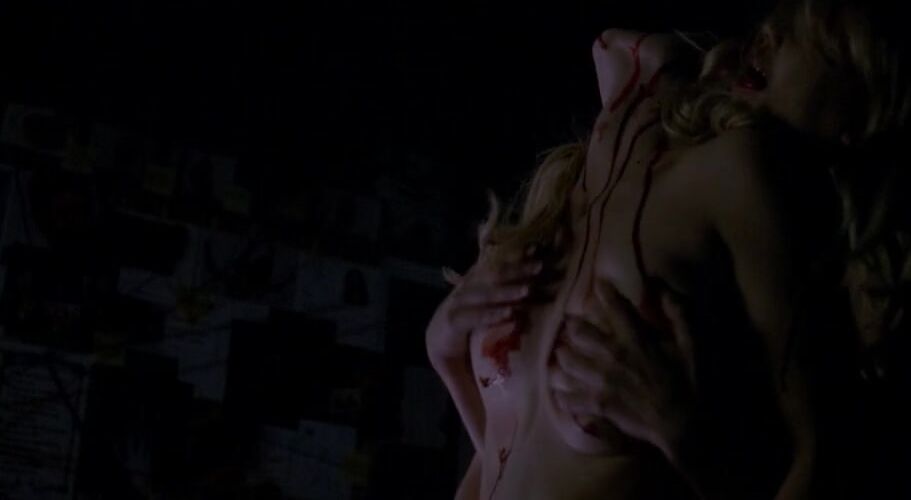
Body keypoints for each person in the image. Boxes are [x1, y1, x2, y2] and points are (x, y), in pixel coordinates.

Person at [426, 0, 911, 497]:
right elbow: (508, 461)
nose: (769, 39)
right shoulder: (568, 186)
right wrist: (444, 350)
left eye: (820, 37)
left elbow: (824, 461)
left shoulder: (739, 181)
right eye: (775, 25)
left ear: (866, 111)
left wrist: (686, 437)